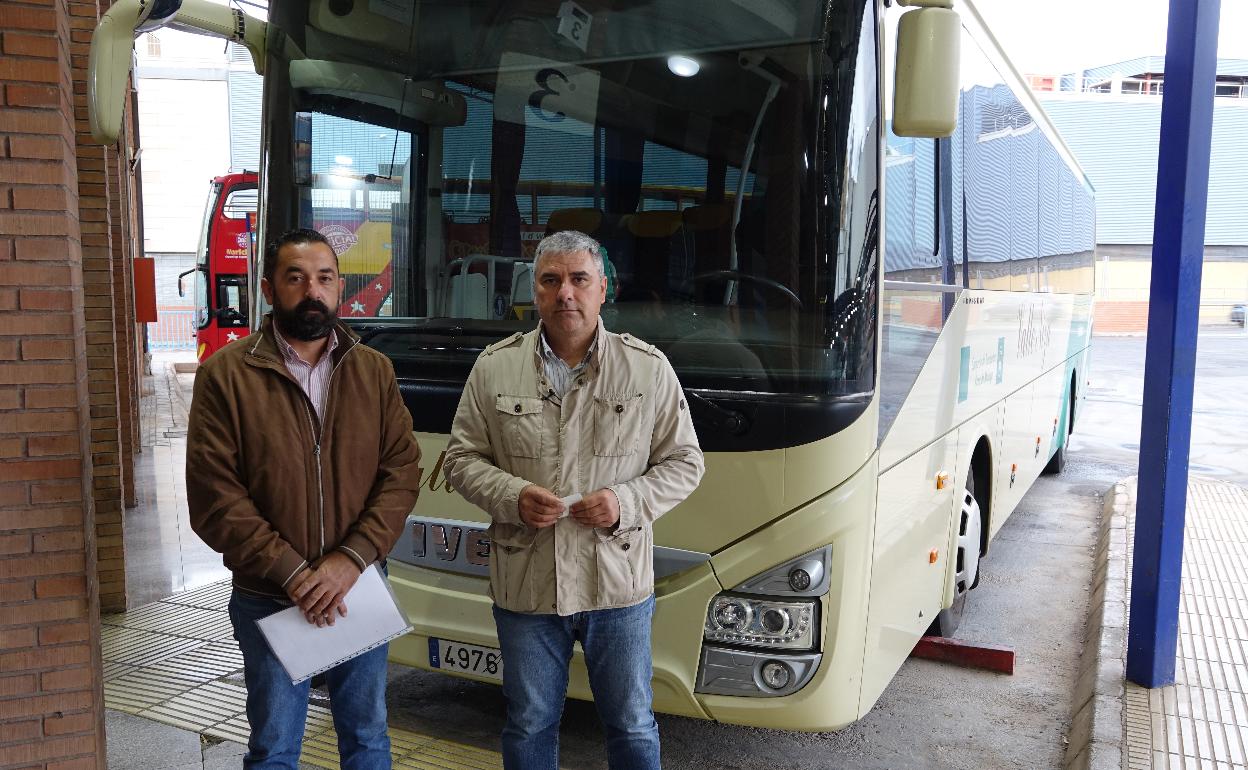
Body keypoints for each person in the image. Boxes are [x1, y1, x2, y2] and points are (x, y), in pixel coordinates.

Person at [443, 230, 705, 769]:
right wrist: (512, 496)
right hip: (527, 588)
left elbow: (686, 462)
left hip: (618, 587)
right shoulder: (494, 368)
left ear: (601, 288)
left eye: (579, 279)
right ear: (534, 291)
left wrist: (624, 502)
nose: (566, 292)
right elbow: (460, 460)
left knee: (632, 725)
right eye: (551, 280)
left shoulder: (647, 369)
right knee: (528, 724)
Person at [187, 228, 422, 769]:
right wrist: (292, 573)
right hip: (270, 595)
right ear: (269, 289)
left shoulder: (372, 370)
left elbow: (401, 471)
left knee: (367, 740)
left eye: (324, 278)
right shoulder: (226, 376)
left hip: (357, 587)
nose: (311, 291)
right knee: (274, 749)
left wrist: (350, 560)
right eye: (296, 278)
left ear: (340, 287)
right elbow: (214, 495)